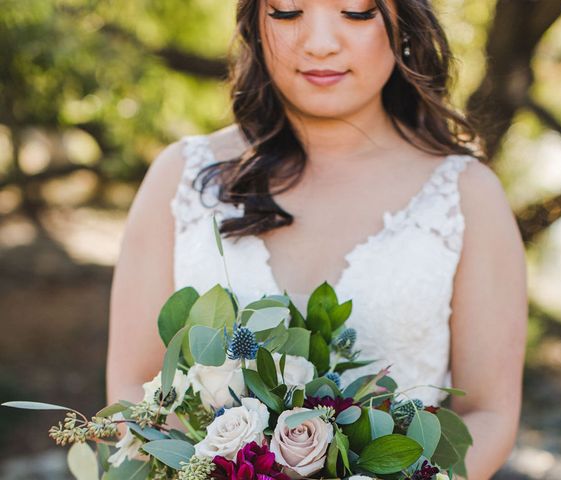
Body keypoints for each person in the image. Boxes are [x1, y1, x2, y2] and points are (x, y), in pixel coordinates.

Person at [106, 1, 528, 478]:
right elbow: (131, 388)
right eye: (288, 11)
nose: (320, 42)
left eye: (357, 11)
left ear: (404, 23)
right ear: (256, 26)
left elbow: (488, 414)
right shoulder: (180, 177)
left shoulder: (467, 196)